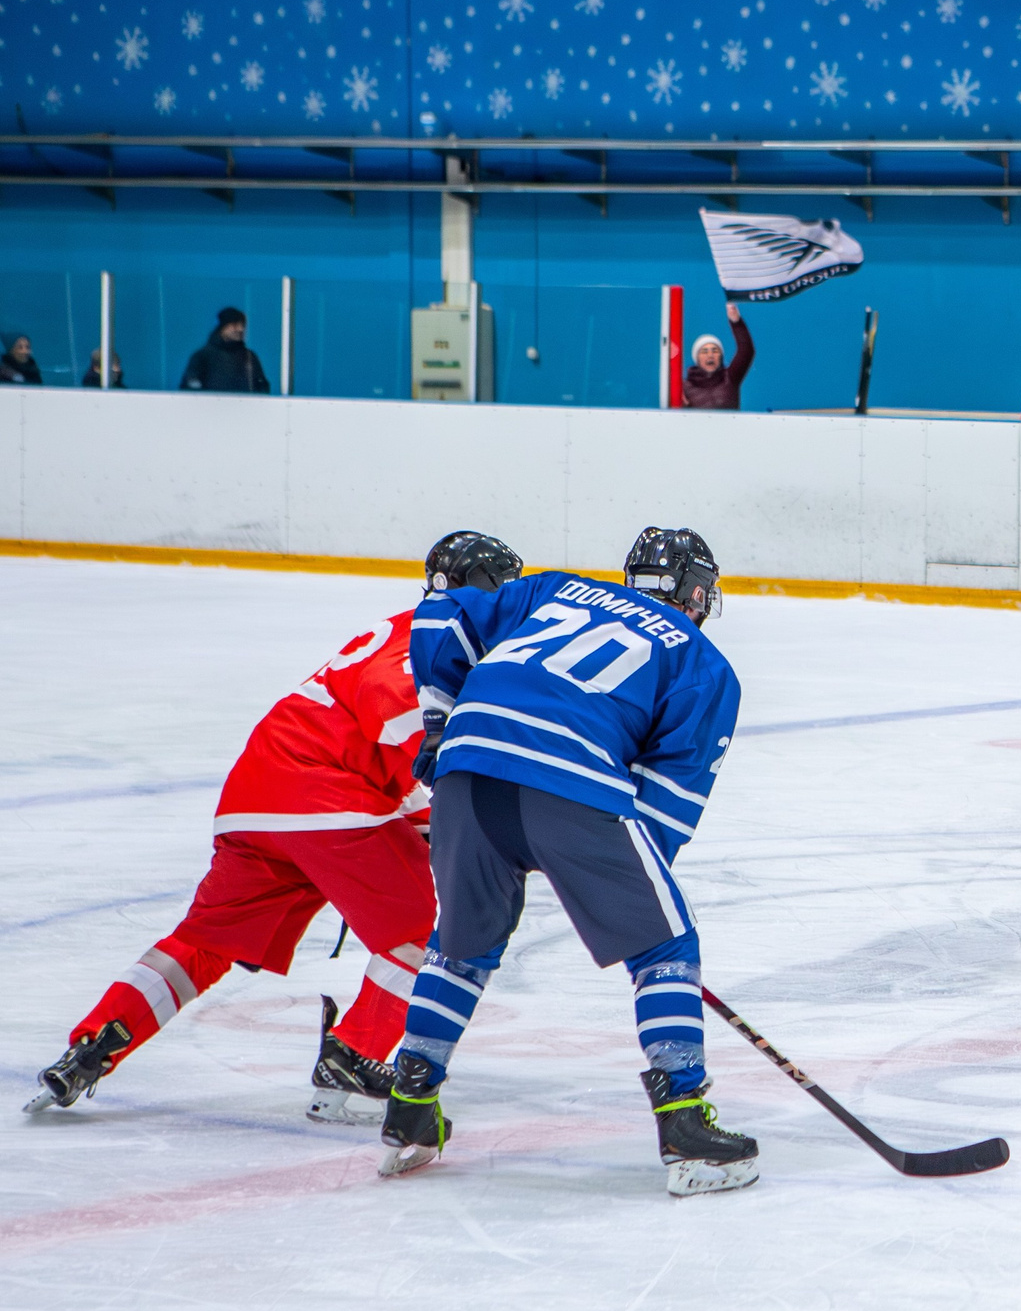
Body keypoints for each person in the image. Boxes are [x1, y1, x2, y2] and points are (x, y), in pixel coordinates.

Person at [27, 532, 525, 1125]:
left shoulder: (410, 625)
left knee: (207, 941)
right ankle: (356, 1053)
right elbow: (398, 720)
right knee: (421, 931)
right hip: (326, 797)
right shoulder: (440, 649)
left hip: (257, 793)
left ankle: (94, 1044)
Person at [381, 527, 756, 1197]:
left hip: (466, 767)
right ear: (699, 591)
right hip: (571, 778)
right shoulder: (704, 663)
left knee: (462, 944)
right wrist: (613, 894)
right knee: (666, 944)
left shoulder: (558, 588)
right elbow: (663, 812)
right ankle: (685, 1121)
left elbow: (442, 612)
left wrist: (439, 724)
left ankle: (410, 1103)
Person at [178, 306, 272, 394]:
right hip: (211, 409)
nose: (240, 329)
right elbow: (190, 388)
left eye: (242, 325)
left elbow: (262, 387)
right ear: (222, 327)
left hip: (245, 410)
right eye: (235, 324)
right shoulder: (203, 356)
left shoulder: (249, 357)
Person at [683, 303, 756, 410]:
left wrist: (736, 322)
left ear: (720, 356)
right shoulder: (685, 387)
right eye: (704, 351)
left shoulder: (730, 378)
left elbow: (746, 350)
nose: (710, 355)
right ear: (697, 359)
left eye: (715, 350)